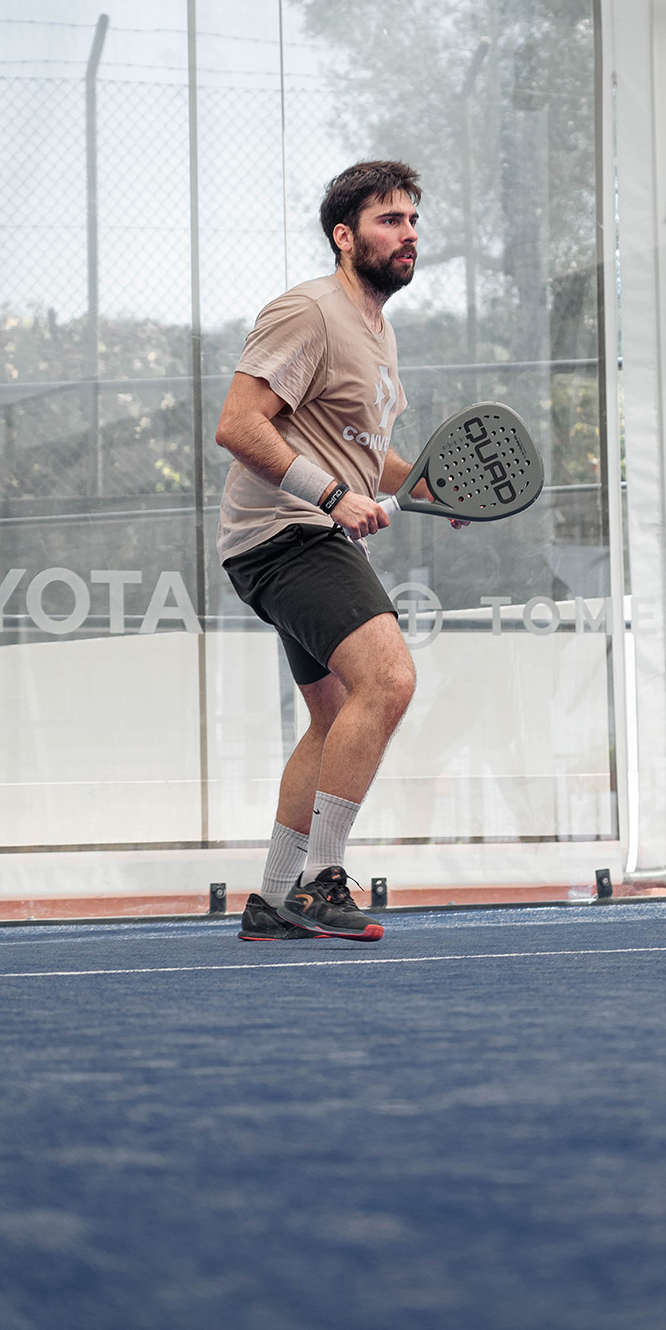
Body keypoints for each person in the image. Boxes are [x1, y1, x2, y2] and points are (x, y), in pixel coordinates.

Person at [216, 160, 452, 943]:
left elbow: (362, 452)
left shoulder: (379, 330)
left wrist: (426, 486)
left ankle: (273, 899)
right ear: (344, 236)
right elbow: (239, 424)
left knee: (332, 717)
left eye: (413, 220)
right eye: (390, 220)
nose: (408, 234)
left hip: (295, 537)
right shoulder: (309, 312)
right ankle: (322, 884)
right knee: (388, 680)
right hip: (287, 535)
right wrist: (329, 497)